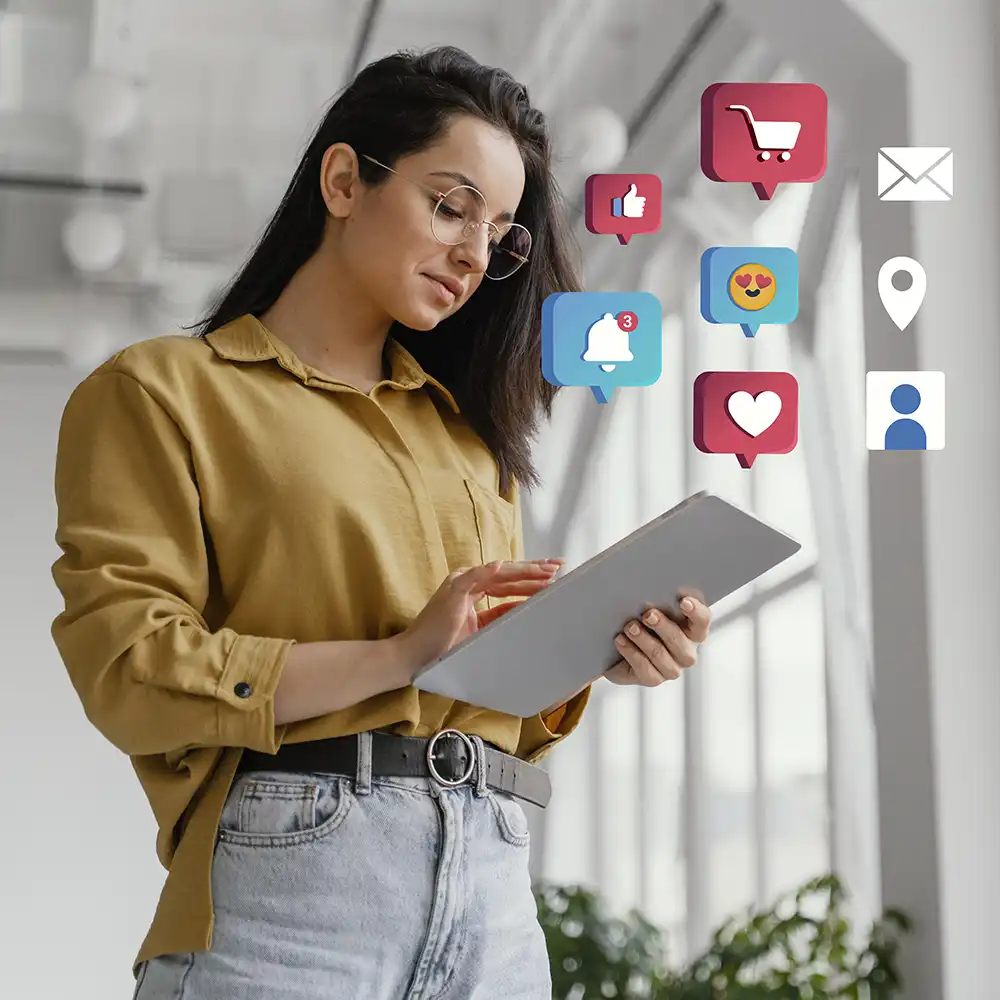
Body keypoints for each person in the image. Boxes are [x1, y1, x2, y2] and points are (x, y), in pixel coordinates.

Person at [50, 46, 712, 1000]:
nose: (476, 254)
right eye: (451, 207)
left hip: (494, 891)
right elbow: (128, 669)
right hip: (290, 897)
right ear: (344, 179)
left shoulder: (469, 439)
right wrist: (399, 655)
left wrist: (595, 650)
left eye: (500, 234)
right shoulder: (160, 393)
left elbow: (485, 700)